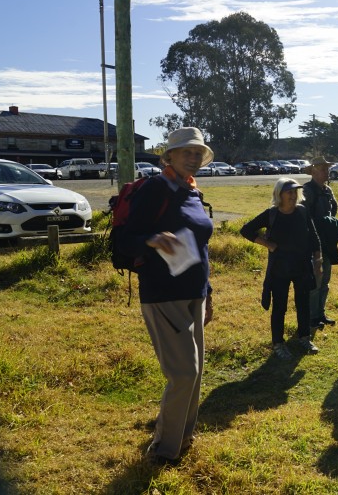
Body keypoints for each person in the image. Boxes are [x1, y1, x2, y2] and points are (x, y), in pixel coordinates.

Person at [118, 127, 214, 465]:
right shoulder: (155, 188)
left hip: (194, 293)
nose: (193, 157)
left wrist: (208, 292)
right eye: (186, 151)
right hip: (163, 293)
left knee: (195, 373)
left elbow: (201, 247)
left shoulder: (193, 191)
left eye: (198, 152)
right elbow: (124, 241)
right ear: (169, 156)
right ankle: (163, 448)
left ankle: (183, 438)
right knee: (184, 373)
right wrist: (152, 239)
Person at [240, 178, 323, 358]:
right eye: (289, 192)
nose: (293, 196)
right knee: (279, 306)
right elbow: (246, 230)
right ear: (280, 194)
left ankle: (304, 337)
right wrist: (267, 244)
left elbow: (314, 236)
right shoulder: (272, 214)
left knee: (303, 303)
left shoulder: (302, 211)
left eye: (295, 192)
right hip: (280, 268)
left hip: (302, 265)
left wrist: (318, 260)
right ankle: (278, 343)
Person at [302, 156, 338, 329]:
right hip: (313, 242)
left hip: (327, 241)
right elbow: (303, 216)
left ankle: (321, 313)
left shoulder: (328, 190)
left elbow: (335, 208)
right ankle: (312, 317)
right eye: (323, 169)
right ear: (314, 172)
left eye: (327, 169)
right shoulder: (307, 191)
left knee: (325, 280)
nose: (327, 172)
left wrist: (329, 225)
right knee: (315, 281)